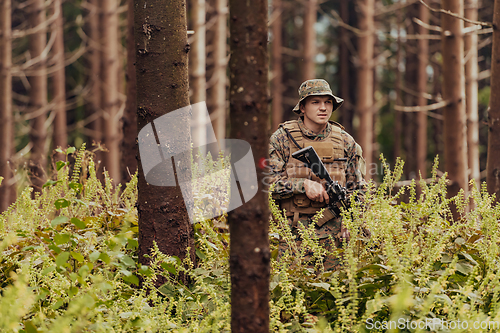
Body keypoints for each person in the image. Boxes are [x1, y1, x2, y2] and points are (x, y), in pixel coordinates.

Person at [268, 79, 367, 270]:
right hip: (294, 235)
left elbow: (359, 188)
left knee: (339, 295)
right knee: (293, 294)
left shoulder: (346, 141)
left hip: (337, 238)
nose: (323, 108)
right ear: (303, 107)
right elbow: (268, 183)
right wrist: (302, 185)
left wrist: (352, 219)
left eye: (327, 102)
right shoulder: (281, 138)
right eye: (315, 102)